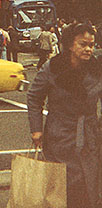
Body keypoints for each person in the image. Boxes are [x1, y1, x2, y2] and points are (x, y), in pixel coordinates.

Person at [27, 23, 102, 208]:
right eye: (83, 44)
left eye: (91, 45)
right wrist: (36, 130)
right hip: (59, 135)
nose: (88, 49)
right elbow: (34, 97)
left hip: (89, 136)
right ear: (69, 44)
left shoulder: (97, 68)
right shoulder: (52, 67)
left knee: (89, 184)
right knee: (62, 186)